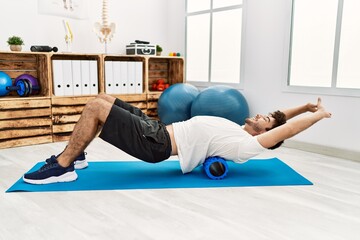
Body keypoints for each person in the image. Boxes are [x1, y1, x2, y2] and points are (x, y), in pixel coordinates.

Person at [23, 94, 331, 184]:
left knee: (94, 107)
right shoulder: (240, 129)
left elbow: (284, 129)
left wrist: (316, 117)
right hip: (155, 127)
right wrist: (305, 105)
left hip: (156, 143)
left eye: (267, 121)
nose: (265, 115)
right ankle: (77, 154)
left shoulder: (245, 145)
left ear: (265, 134)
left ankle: (63, 166)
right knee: (104, 98)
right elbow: (281, 118)